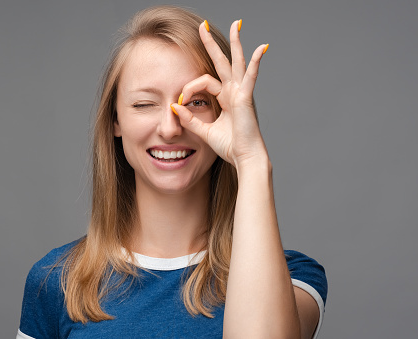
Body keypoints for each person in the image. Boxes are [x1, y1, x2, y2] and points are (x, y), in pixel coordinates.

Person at [17, 5, 327, 339]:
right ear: (115, 121)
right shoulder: (57, 280)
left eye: (197, 102)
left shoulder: (294, 276)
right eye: (144, 104)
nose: (170, 128)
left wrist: (250, 161)